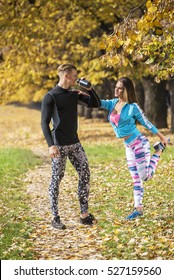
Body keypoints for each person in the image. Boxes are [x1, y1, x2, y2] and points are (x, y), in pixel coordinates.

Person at [100, 77, 169, 220]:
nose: (116, 90)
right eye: (116, 87)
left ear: (127, 90)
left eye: (120, 88)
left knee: (145, 176)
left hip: (139, 144)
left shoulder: (133, 107)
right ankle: (138, 208)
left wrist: (162, 137)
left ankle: (159, 150)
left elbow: (147, 123)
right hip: (128, 146)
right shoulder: (113, 104)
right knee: (135, 179)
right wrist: (86, 92)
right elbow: (97, 102)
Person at [41, 64, 101, 229]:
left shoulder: (74, 94)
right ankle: (55, 217)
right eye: (75, 75)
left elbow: (96, 104)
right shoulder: (50, 96)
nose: (77, 78)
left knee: (85, 173)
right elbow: (44, 123)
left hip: (75, 144)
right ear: (66, 75)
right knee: (56, 179)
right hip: (59, 146)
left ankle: (84, 214)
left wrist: (90, 89)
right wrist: (50, 145)